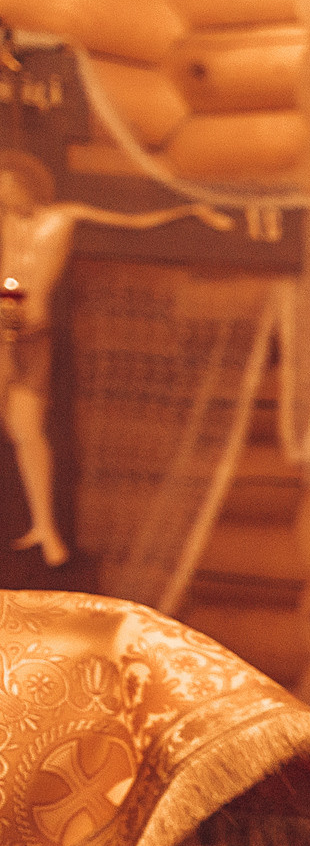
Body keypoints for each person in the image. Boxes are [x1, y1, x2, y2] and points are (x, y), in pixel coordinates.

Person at [0, 150, 233, 568]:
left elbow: (129, 218)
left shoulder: (63, 216)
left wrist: (190, 208)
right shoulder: (3, 229)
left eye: (5, 185)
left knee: (28, 431)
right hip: (4, 334)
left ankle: (45, 526)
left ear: (22, 185)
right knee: (18, 428)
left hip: (34, 337)